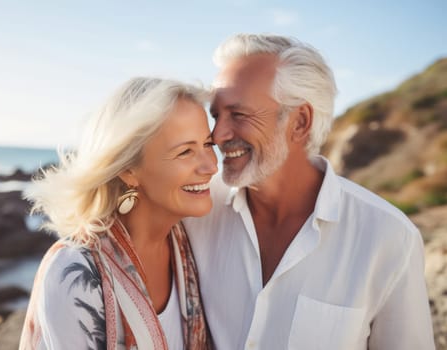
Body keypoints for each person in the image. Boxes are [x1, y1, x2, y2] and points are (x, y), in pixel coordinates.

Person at [183, 34, 435, 349]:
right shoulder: (193, 212)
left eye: (239, 114)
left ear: (299, 122)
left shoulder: (390, 237)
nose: (217, 135)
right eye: (216, 115)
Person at [19, 77, 216, 349]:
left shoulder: (190, 243)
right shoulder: (75, 271)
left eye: (208, 144)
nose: (211, 166)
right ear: (128, 170)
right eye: (185, 151)